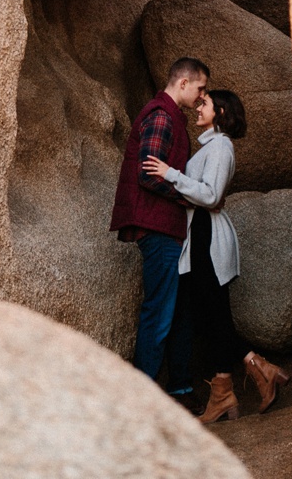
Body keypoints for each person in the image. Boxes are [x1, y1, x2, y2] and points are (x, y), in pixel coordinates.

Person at [144, 89, 290, 423]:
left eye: (205, 103)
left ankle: (238, 386)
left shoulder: (222, 147)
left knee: (212, 315)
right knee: (210, 317)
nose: (198, 107)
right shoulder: (211, 146)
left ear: (220, 112)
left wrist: (170, 173)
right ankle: (246, 379)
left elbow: (209, 195)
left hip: (207, 238)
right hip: (198, 236)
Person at [110, 56, 209, 380]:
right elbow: (148, 175)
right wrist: (192, 198)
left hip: (163, 226)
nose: (201, 96)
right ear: (183, 83)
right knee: (158, 315)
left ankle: (172, 390)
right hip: (158, 227)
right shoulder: (162, 116)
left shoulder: (169, 116)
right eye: (200, 88)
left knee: (168, 312)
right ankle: (144, 397)